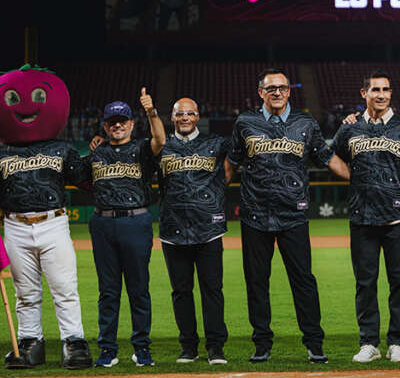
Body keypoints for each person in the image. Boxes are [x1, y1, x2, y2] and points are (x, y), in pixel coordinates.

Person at [90, 97, 234, 365]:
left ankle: (216, 347)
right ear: (172, 118)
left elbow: (232, 164)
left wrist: (214, 195)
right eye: (179, 114)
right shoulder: (160, 147)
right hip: (173, 228)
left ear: (198, 116)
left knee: (212, 290)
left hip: (209, 228)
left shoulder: (215, 143)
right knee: (181, 291)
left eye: (190, 113)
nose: (185, 118)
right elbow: (153, 142)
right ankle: (188, 347)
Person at [228, 68, 349, 364]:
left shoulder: (305, 122)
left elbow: (327, 157)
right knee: (257, 282)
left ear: (289, 91)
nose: (277, 92)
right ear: (261, 92)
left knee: (303, 280)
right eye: (271, 88)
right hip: (255, 215)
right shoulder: (245, 122)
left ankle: (314, 342)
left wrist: (358, 179)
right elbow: (231, 163)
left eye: (282, 87)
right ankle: (262, 343)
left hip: (293, 215)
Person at [0, 66, 93, 370]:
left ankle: (74, 342)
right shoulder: (2, 152)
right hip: (15, 225)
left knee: (64, 288)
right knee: (25, 291)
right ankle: (29, 343)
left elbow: (86, 179)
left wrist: (101, 153)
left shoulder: (62, 149)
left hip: (53, 223)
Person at [332, 70, 400, 363]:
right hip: (362, 218)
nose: (382, 95)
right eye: (376, 90)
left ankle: (397, 342)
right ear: (364, 94)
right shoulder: (350, 128)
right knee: (365, 284)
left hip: (398, 219)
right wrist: (354, 179)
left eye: (386, 89)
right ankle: (369, 343)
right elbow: (331, 157)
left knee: (399, 283)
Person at [88, 90, 165, 367]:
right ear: (105, 126)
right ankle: (107, 349)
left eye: (122, 121)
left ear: (132, 124)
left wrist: (151, 111)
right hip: (102, 223)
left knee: (138, 288)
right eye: (112, 122)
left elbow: (160, 140)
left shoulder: (143, 149)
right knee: (108, 291)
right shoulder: (97, 153)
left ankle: (141, 347)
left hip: (136, 221)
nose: (117, 125)